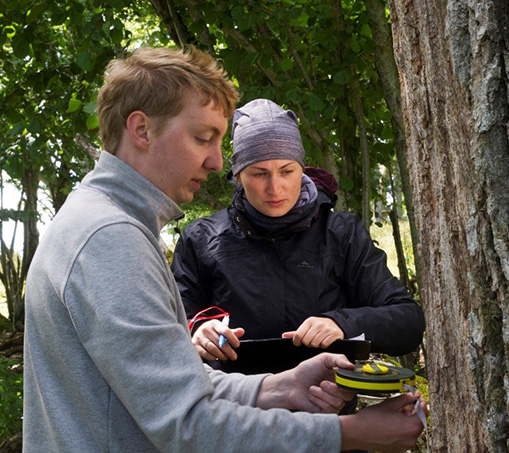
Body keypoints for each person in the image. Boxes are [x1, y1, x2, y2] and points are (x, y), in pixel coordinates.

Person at [22, 46, 425, 452]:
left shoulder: (93, 218)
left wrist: (280, 387)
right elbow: (189, 423)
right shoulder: (110, 238)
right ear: (141, 130)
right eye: (202, 138)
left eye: (287, 171)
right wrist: (348, 434)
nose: (217, 162)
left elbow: (171, 384)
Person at [171, 98, 426, 365]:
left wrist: (341, 323)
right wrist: (196, 331)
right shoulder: (201, 239)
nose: (275, 187)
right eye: (259, 173)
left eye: (286, 171)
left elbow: (408, 322)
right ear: (237, 176)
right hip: (232, 401)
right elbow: (169, 325)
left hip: (325, 400)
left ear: (302, 169)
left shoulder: (340, 233)